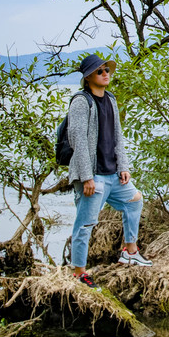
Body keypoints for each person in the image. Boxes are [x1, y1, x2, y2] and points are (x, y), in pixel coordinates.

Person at [67, 52, 152, 286]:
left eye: (107, 70)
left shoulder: (111, 99)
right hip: (92, 175)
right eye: (100, 71)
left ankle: (130, 253)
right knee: (85, 224)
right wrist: (86, 177)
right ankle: (79, 274)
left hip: (113, 173)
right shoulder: (81, 102)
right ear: (88, 77)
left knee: (134, 199)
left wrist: (123, 165)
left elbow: (118, 136)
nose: (106, 74)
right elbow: (78, 140)